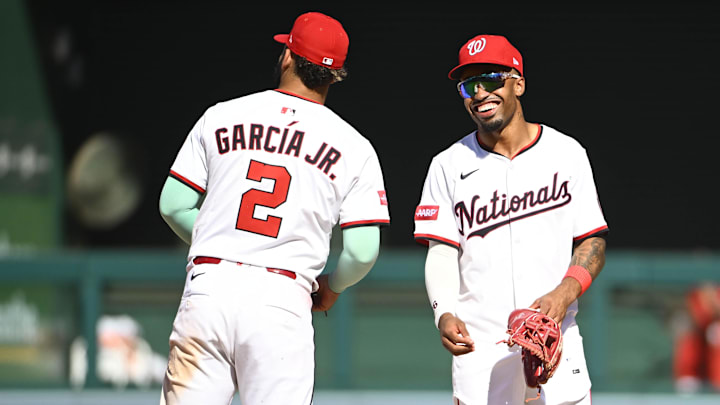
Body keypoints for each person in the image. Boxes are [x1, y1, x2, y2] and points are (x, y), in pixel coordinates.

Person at [157, 11, 390, 405]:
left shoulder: (222, 115)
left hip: (209, 289)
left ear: (287, 56)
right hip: (282, 299)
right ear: (335, 76)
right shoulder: (354, 146)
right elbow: (362, 251)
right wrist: (331, 288)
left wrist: (224, 236)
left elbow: (172, 205)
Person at [413, 34, 609, 405]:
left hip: (556, 337)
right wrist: (444, 312)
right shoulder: (448, 165)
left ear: (517, 82)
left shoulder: (566, 153)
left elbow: (592, 241)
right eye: (470, 85)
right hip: (481, 345)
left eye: (491, 79)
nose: (480, 92)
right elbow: (441, 252)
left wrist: (564, 293)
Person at [673, 282, 720, 393]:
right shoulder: (693, 292)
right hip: (699, 330)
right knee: (689, 337)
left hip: (713, 331)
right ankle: (689, 379)